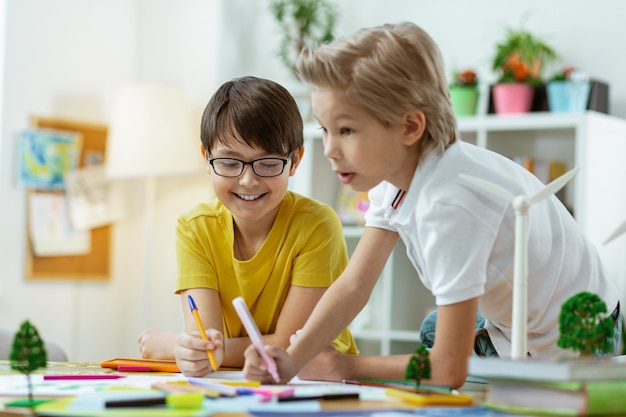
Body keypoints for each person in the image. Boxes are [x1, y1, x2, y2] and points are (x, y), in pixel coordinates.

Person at [242, 22, 622, 388]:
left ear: (410, 127)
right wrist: (292, 356)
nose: (329, 150)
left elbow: (447, 368)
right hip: (516, 323)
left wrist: (345, 366)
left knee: (436, 349)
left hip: (580, 342)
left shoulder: (450, 204)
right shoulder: (396, 176)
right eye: (325, 129)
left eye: (347, 131)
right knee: (433, 330)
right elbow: (356, 285)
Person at [137, 76, 358, 377]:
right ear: (207, 157)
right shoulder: (194, 229)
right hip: (239, 380)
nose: (248, 181)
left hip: (318, 381)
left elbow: (286, 349)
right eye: (229, 163)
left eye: (267, 163)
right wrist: (193, 351)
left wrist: (172, 344)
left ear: (295, 161)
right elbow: (207, 346)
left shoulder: (316, 224)